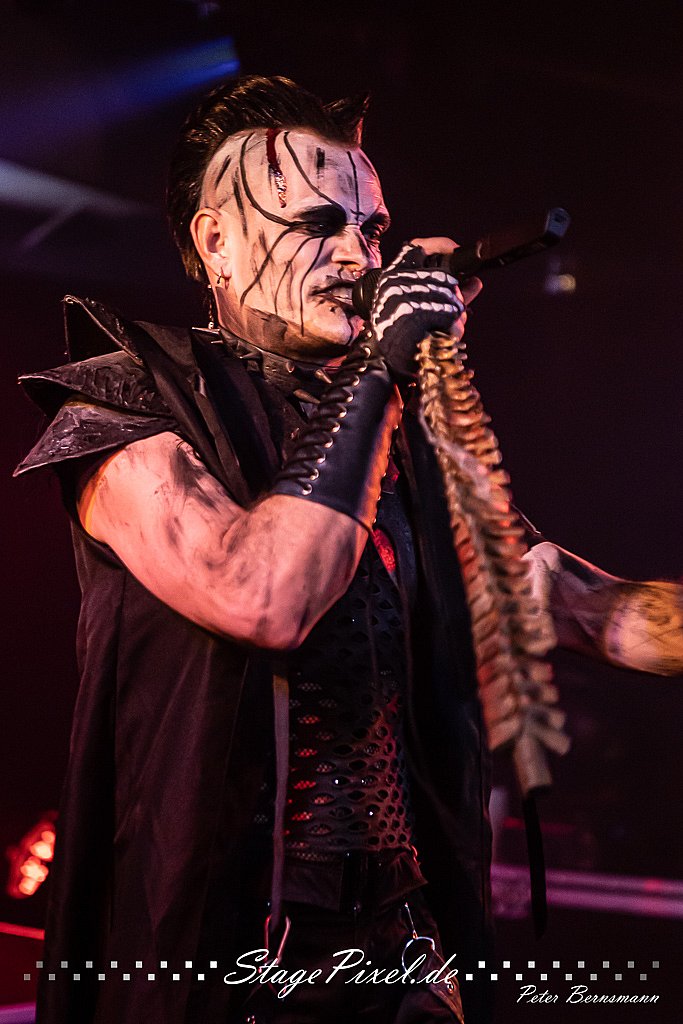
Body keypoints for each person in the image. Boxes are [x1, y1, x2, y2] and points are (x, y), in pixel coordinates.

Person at [16, 75, 683, 1024]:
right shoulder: (126, 404)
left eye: (371, 231)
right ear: (217, 241)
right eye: (318, 224)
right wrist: (377, 368)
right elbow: (261, 595)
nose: (356, 254)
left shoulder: (397, 445)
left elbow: (573, 604)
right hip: (221, 958)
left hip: (397, 949)